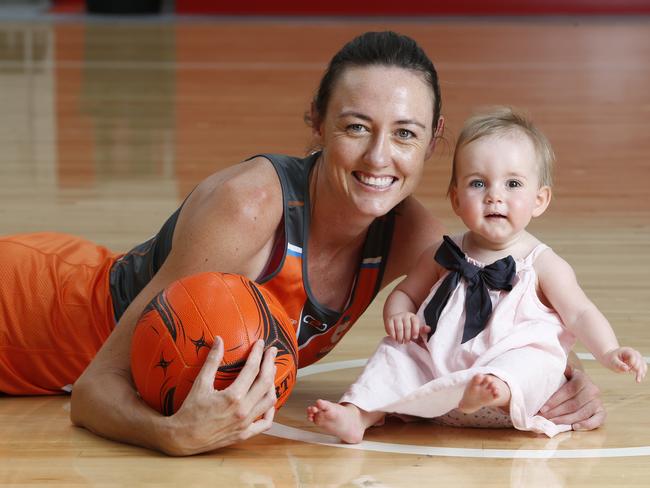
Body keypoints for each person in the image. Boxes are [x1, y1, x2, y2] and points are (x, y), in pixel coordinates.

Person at [0, 32, 603, 456]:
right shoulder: (249, 206)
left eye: (405, 134)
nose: (378, 158)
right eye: (355, 127)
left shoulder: (415, 237)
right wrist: (174, 436)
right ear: (316, 120)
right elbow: (96, 389)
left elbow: (496, 316)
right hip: (32, 313)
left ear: (433, 140)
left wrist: (559, 380)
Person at [306, 107, 646, 443]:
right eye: (478, 183)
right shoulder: (444, 253)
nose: (494, 195)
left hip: (507, 390)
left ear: (539, 200)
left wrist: (609, 350)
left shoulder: (542, 263)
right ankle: (358, 414)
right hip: (441, 376)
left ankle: (494, 389)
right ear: (456, 199)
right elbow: (406, 292)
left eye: (513, 183)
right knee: (395, 354)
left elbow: (580, 312)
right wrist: (400, 315)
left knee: (539, 360)